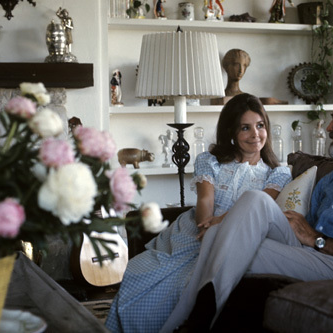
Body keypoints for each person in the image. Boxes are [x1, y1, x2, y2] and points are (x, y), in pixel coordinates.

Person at [164, 89, 333, 332]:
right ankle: (194, 320)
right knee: (254, 201)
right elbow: (306, 234)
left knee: (232, 244)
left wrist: (317, 240)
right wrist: (306, 236)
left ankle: (191, 321)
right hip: (310, 252)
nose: (329, 127)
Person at [105, 93, 292, 332]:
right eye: (245, 128)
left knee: (185, 284)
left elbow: (258, 207)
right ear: (231, 132)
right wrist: (207, 223)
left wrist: (219, 224)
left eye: (260, 126)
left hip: (234, 237)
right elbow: (205, 199)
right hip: (195, 230)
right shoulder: (210, 160)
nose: (255, 135)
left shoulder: (277, 172)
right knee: (140, 270)